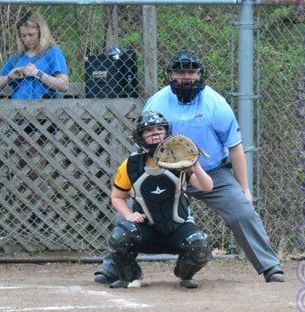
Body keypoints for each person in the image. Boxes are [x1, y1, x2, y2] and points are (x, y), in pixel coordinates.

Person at [95, 49, 284, 285]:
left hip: (211, 171)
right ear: (171, 75)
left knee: (242, 210)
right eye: (180, 72)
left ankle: (269, 265)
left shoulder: (216, 103)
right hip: (166, 171)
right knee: (131, 211)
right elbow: (145, 140)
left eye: (191, 72)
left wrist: (244, 188)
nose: (186, 77)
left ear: (200, 74)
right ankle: (114, 267)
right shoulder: (158, 101)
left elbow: (235, 147)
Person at [105, 110, 214, 290]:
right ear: (140, 136)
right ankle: (131, 276)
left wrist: (195, 166)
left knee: (200, 243)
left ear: (167, 132)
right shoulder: (131, 164)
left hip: (177, 227)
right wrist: (129, 215)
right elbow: (117, 197)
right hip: (147, 229)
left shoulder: (180, 161)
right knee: (120, 236)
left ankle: (184, 274)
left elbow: (207, 187)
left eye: (160, 129)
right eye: (149, 130)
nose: (155, 134)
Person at [0, 11, 69, 99]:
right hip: (18, 104)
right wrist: (9, 76)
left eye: (31, 35)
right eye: (23, 35)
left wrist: (38, 73)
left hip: (44, 104)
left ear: (41, 33)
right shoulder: (18, 56)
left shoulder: (53, 52)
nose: (27, 39)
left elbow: (64, 85)